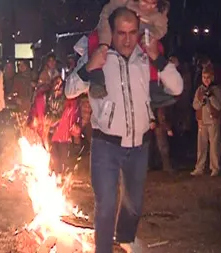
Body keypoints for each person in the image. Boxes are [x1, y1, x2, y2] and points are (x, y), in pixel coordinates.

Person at [65, 8, 176, 252]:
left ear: (139, 32)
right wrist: (88, 68)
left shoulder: (145, 57)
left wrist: (158, 58)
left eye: (132, 33)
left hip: (138, 147)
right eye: (121, 33)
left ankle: (125, 237)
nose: (127, 39)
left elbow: (177, 87)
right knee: (106, 205)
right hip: (106, 146)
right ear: (110, 33)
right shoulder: (99, 55)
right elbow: (69, 90)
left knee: (134, 203)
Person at [88, 0, 170, 99]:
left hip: (140, 35)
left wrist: (152, 35)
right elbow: (106, 14)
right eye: (145, 2)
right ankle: (96, 78)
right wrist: (104, 43)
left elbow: (161, 28)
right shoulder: (123, 2)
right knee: (95, 39)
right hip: (116, 27)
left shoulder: (158, 14)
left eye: (153, 4)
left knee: (155, 48)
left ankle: (154, 87)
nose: (148, 7)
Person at [28, 76, 81, 176]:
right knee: (51, 159)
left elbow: (76, 116)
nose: (58, 87)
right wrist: (34, 121)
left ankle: (60, 180)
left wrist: (76, 128)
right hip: (46, 133)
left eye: (60, 85)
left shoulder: (70, 101)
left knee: (63, 160)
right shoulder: (43, 98)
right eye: (56, 84)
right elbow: (34, 112)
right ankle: (51, 178)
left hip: (63, 135)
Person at [190, 66, 221, 177]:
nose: (206, 80)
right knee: (201, 146)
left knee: (214, 146)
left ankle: (215, 168)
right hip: (202, 121)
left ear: (212, 78)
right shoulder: (199, 90)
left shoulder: (216, 89)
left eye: (208, 77)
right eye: (204, 77)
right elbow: (194, 105)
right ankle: (199, 167)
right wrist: (201, 102)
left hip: (213, 121)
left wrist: (211, 97)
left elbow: (219, 106)